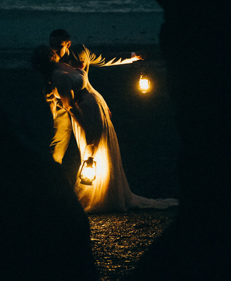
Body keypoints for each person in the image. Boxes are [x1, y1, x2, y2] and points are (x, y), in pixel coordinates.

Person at [31, 43, 178, 214]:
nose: (53, 51)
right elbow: (70, 106)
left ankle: (109, 192)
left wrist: (102, 102)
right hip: (86, 114)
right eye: (49, 52)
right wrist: (85, 127)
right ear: (45, 60)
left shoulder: (64, 65)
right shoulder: (58, 76)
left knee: (106, 149)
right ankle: (96, 194)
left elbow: (91, 79)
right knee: (94, 151)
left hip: (96, 108)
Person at [46, 29, 143, 166]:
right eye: (52, 45)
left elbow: (104, 59)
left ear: (68, 45)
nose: (54, 49)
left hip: (87, 104)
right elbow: (48, 92)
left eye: (58, 46)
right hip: (63, 107)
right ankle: (53, 176)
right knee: (57, 147)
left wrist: (133, 56)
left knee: (94, 142)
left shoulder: (81, 52)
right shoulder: (48, 62)